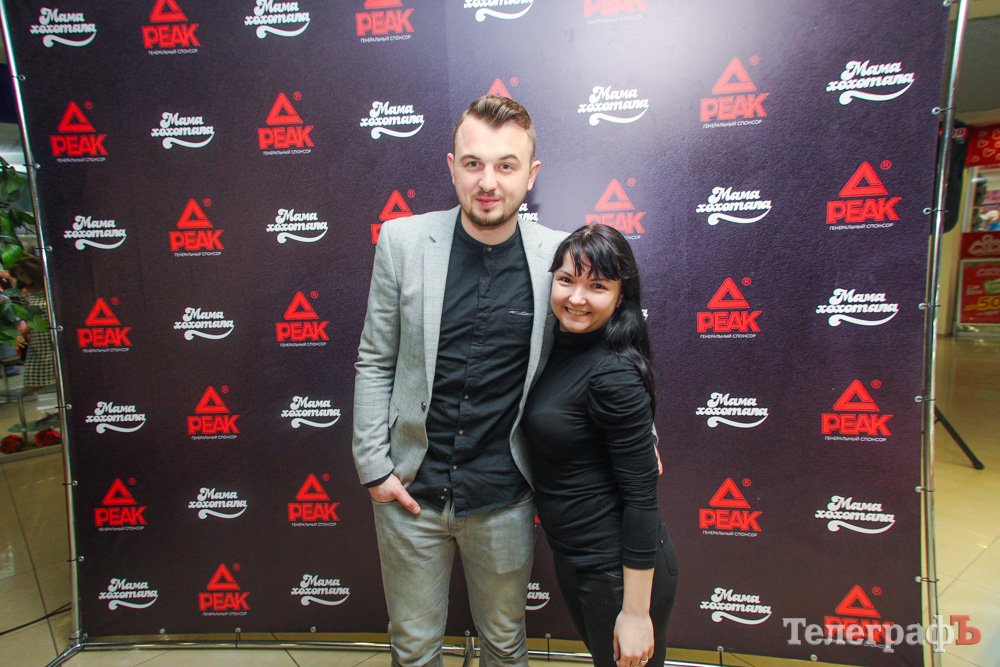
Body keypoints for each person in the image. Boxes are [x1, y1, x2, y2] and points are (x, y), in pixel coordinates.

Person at [352, 95, 566, 666]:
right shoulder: (401, 243)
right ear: (452, 167)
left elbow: (598, 358)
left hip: (504, 498)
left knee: (505, 643)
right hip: (409, 493)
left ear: (531, 174)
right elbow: (375, 358)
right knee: (414, 649)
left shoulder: (558, 257)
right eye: (473, 163)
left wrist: (640, 433)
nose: (488, 182)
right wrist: (374, 469)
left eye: (505, 165)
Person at [522, 224, 677, 667]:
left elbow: (642, 499)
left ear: (621, 295)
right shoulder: (562, 346)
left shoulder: (613, 373)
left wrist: (635, 613)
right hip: (579, 559)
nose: (576, 298)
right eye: (566, 280)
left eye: (597, 286)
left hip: (616, 572)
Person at [7, 255, 55, 393]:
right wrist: (21, 334)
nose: (21, 278)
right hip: (39, 341)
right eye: (18, 275)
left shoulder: (51, 287)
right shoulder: (24, 293)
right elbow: (29, 319)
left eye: (22, 273)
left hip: (56, 337)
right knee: (33, 382)